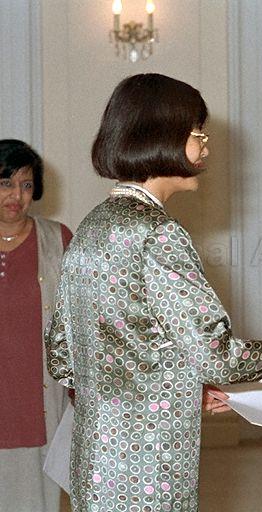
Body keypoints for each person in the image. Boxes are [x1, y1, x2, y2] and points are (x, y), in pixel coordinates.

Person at [44, 73, 262, 512]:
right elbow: (217, 356)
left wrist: (177, 385)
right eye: (196, 132)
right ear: (161, 135)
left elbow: (63, 359)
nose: (206, 145)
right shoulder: (157, 233)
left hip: (95, 464)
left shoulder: (92, 227)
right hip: (149, 470)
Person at [0, 139, 72, 512]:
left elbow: (81, 321)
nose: (16, 195)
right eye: (5, 183)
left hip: (38, 401)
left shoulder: (57, 240)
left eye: (26, 184)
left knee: (35, 501)